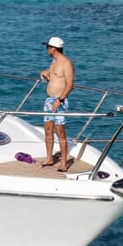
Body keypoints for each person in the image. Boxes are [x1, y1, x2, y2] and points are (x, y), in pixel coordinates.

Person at [39, 36, 75, 172]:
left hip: (59, 101)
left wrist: (59, 100)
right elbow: (55, 76)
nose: (47, 50)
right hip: (49, 100)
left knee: (60, 132)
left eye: (47, 47)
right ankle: (49, 159)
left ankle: (64, 163)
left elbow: (70, 84)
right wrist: (46, 73)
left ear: (53, 48)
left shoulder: (66, 63)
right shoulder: (54, 62)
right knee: (48, 130)